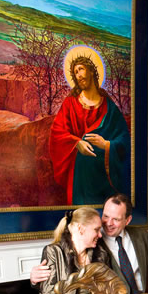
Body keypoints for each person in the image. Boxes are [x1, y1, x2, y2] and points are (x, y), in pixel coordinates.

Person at [49, 45, 130, 205]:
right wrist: (76, 142)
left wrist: (107, 145)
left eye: (81, 69)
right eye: (75, 72)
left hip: (104, 175)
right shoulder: (70, 104)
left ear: (92, 71)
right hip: (81, 175)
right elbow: (57, 131)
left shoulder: (108, 106)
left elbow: (124, 139)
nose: (78, 75)